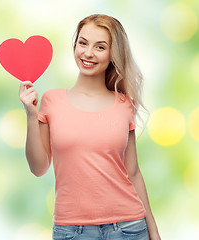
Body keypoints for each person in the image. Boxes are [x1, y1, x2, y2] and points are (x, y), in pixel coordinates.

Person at [18, 14, 161, 240]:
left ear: (113, 54)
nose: (88, 53)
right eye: (83, 43)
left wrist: (153, 231)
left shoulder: (124, 105)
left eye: (100, 47)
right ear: (75, 45)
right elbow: (38, 168)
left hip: (128, 228)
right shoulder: (51, 101)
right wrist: (30, 115)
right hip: (72, 231)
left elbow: (132, 172)